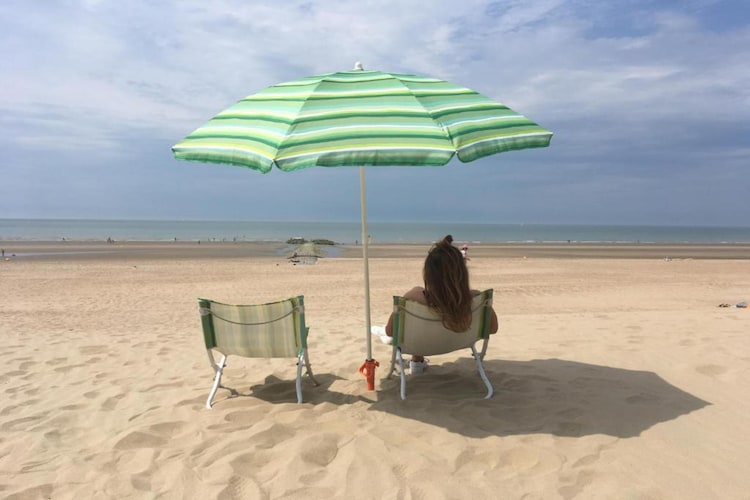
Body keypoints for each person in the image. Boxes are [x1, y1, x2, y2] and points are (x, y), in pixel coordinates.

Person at [383, 235, 498, 374]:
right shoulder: (477, 299)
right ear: (463, 273)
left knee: (420, 325)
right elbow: (492, 328)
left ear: (428, 274)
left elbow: (390, 331)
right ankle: (417, 362)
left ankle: (417, 362)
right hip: (457, 343)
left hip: (423, 344)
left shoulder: (413, 298)